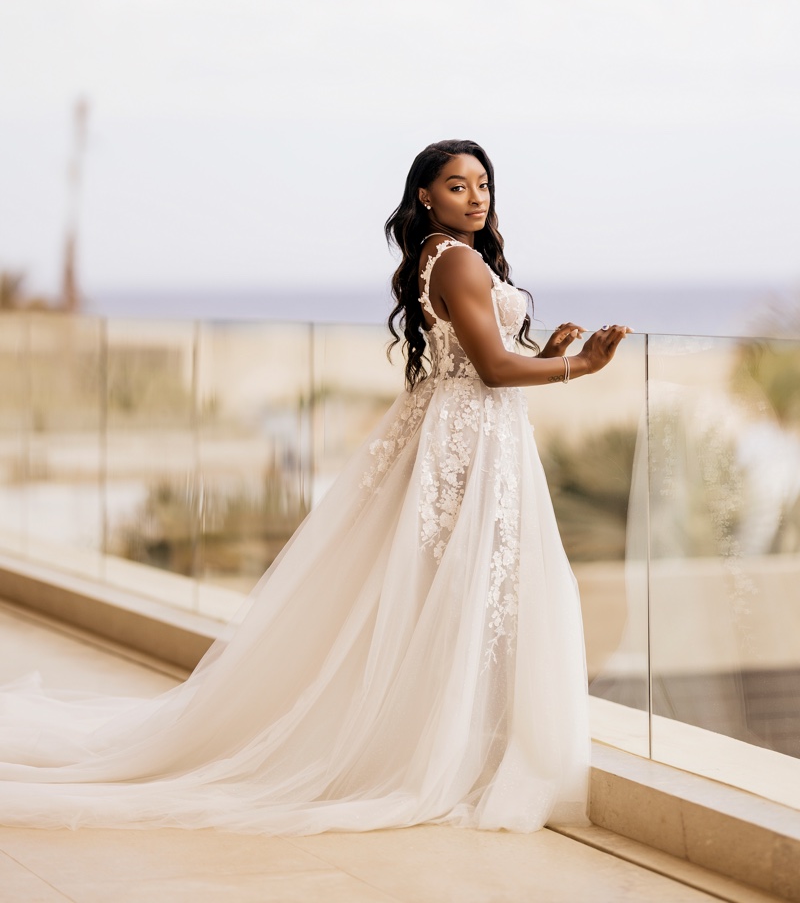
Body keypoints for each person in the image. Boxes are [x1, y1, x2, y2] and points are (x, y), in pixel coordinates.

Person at [0, 139, 630, 835]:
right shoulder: (454, 259)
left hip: (471, 434)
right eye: (457, 186)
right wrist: (584, 368)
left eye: (483, 184)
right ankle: (449, 753)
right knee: (471, 587)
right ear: (424, 196)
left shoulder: (437, 257)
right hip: (471, 440)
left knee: (457, 587)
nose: (476, 197)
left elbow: (486, 362)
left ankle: (457, 743)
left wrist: (543, 357)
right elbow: (489, 371)